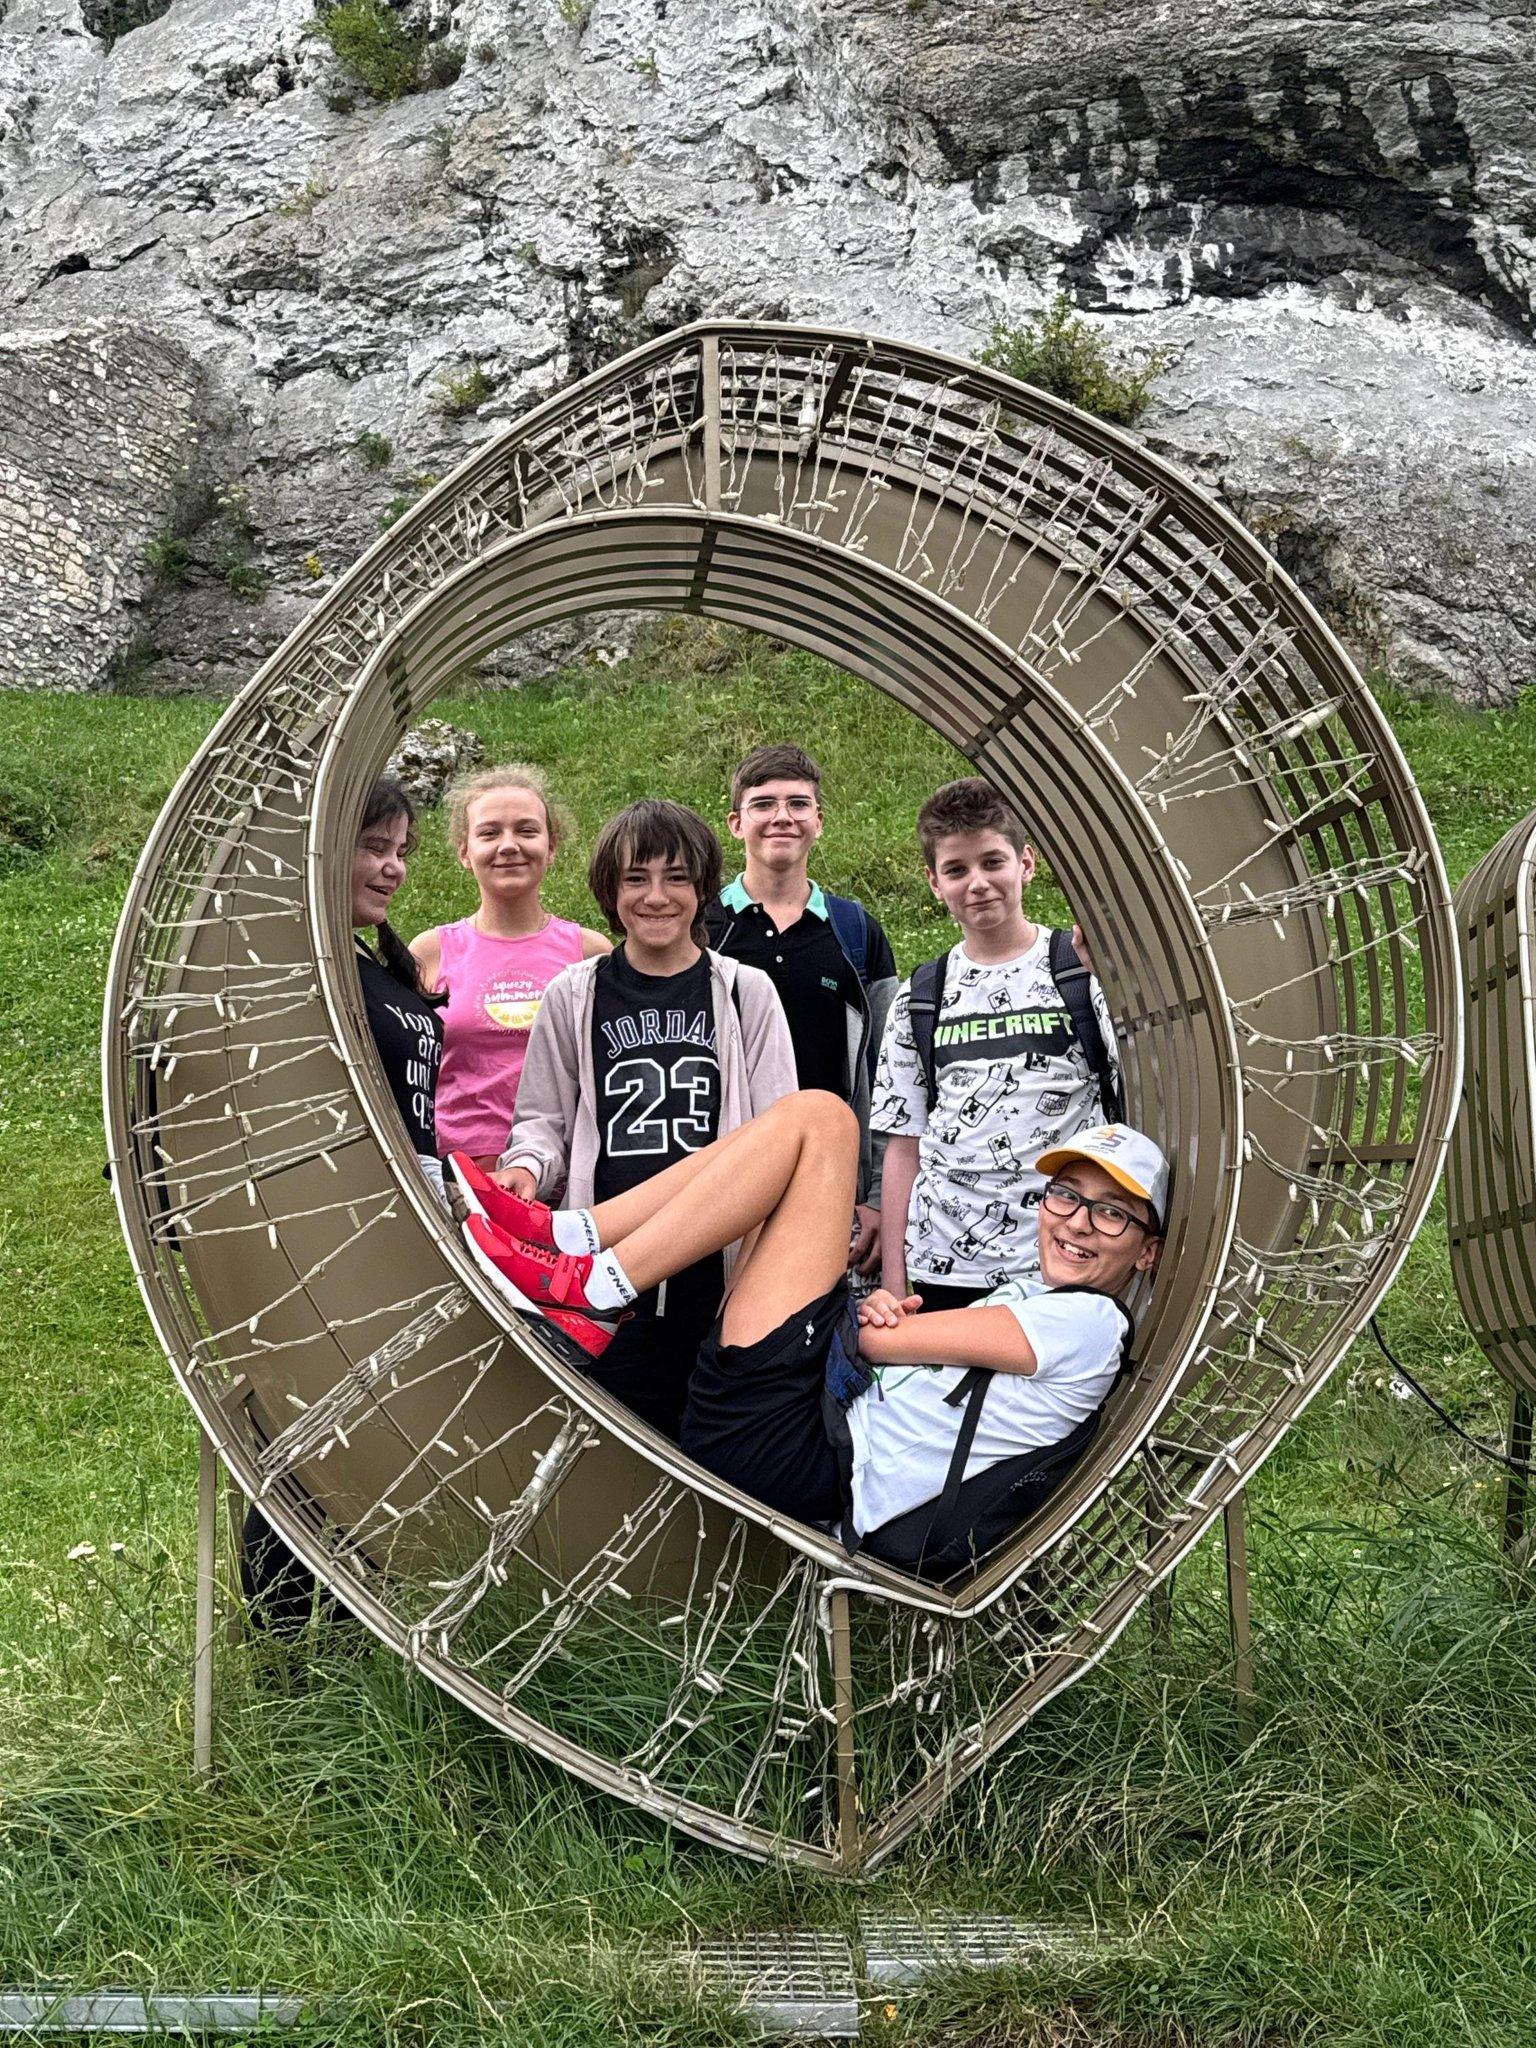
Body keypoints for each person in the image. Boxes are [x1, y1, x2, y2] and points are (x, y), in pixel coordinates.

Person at [458, 1097, 1166, 1579]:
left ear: (1147, 1253)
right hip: (794, 1428)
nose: (1078, 1222)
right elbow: (902, 1346)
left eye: (1113, 1214)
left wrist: (881, 1323)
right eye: (1066, 1196)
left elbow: (881, 1345)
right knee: (787, 1156)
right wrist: (882, 1313)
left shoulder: (1092, 1323)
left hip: (800, 1448)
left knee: (822, 1122)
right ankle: (567, 1237)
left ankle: (590, 1287)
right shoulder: (1043, 1299)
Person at [462, 799, 796, 1440]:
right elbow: (541, 1121)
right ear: (609, 892)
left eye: (677, 878)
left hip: (716, 1265)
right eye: (636, 879)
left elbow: (779, 1133)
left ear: (703, 888)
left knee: (709, 1438)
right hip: (605, 1264)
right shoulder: (573, 993)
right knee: (616, 1432)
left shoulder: (745, 991)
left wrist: (757, 1275)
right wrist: (525, 1172)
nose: (656, 896)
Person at [244, 775, 445, 1631]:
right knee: (309, 1439)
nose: (393, 867)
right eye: (373, 847)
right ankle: (290, 1647)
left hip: (410, 1231)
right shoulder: (297, 969)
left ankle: (365, 1633)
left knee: (381, 1435)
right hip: (339, 1239)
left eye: (401, 850)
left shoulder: (366, 962)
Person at [873, 778, 1122, 1311]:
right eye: (956, 870)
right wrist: (893, 1279)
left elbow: (1138, 1084)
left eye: (993, 862)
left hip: (1066, 1253)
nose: (978, 883)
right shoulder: (921, 994)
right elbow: (903, 1145)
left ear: (1026, 863)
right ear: (934, 882)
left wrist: (1113, 978)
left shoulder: (1080, 971)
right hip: (946, 1261)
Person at [704, 744, 898, 1281]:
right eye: (764, 804)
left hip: (829, 1182)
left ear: (819, 821)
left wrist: (877, 1195)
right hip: (719, 1177)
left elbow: (890, 1072)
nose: (782, 817)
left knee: (821, 1316)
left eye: (798, 803)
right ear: (736, 823)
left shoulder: (856, 932)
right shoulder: (702, 928)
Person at [410, 764, 610, 1168]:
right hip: (456, 1173)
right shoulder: (430, 952)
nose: (508, 845)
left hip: (562, 1171)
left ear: (551, 847)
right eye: (489, 833)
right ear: (464, 852)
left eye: (526, 831)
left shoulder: (590, 952)